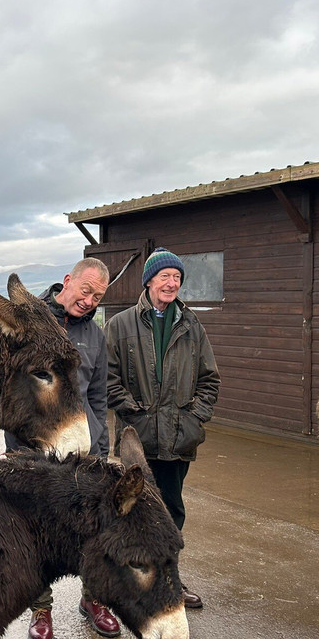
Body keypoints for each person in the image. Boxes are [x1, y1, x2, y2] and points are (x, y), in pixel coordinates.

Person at [9, 257, 117, 639]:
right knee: (38, 530)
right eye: (86, 290)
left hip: (83, 449)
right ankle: (41, 610)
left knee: (92, 528)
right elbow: (12, 388)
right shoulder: (29, 323)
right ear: (68, 281)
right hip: (36, 447)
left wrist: (100, 444)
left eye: (98, 297)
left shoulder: (96, 336)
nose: (89, 301)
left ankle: (94, 599)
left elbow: (100, 394)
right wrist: (18, 447)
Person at [105, 247, 220, 609]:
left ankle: (169, 582)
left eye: (177, 277)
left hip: (176, 440)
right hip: (136, 441)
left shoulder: (191, 326)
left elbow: (209, 380)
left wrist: (193, 418)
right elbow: (107, 380)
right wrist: (136, 414)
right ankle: (131, 581)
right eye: (164, 276)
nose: (171, 283)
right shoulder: (120, 325)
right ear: (149, 281)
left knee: (171, 512)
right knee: (131, 510)